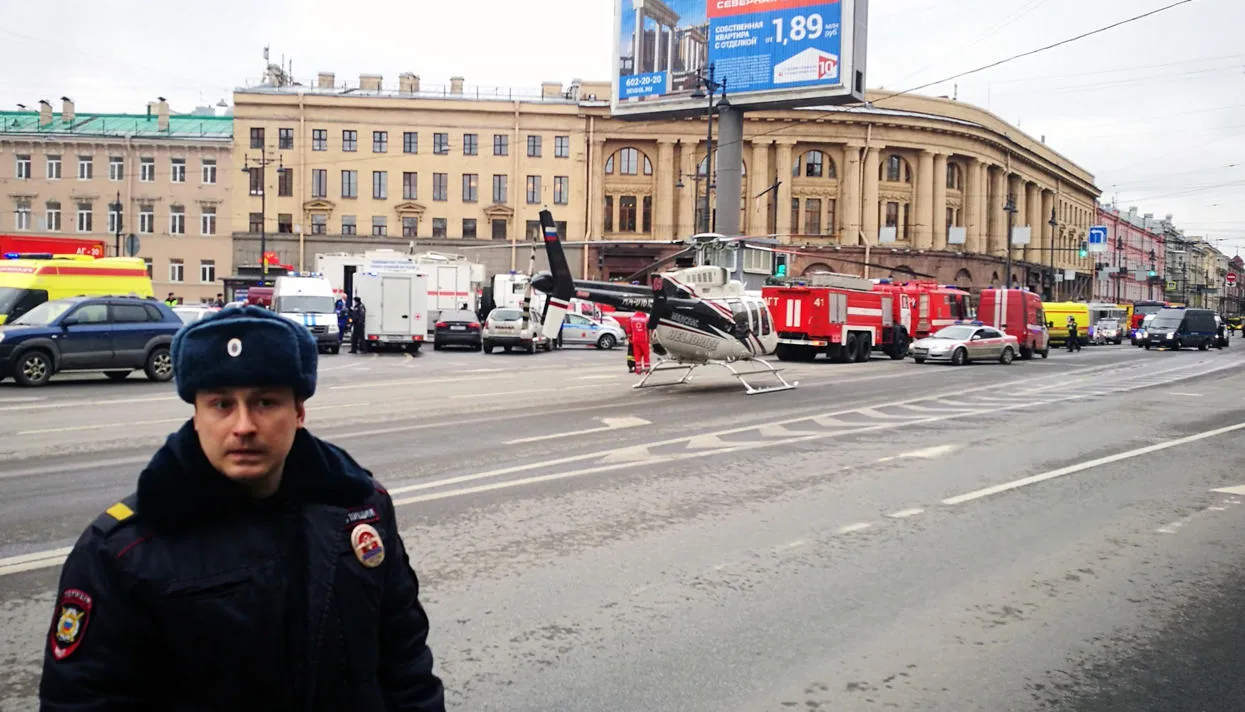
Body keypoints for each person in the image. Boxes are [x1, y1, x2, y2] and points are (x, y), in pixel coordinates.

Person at [38, 305, 445, 711]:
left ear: (299, 412)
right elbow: (84, 700)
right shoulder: (122, 551)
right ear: (196, 416)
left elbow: (405, 664)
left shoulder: (360, 509)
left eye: (265, 402)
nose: (244, 426)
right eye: (221, 404)